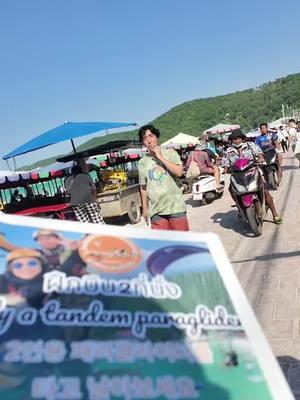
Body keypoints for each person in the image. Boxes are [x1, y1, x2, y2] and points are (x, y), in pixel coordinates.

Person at [224, 130, 282, 224]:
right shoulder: (228, 151)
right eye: (234, 139)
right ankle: (239, 206)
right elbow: (226, 163)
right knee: (231, 189)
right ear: (231, 141)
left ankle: (275, 214)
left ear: (242, 138)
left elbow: (259, 153)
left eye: (238, 138)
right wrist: (226, 168)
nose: (236, 140)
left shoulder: (250, 145)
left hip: (252, 170)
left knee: (265, 191)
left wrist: (261, 158)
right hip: (237, 174)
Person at [138, 124, 189, 231]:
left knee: (183, 244)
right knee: (165, 245)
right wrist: (145, 208)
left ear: (157, 137)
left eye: (151, 136)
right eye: (144, 138)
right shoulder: (142, 163)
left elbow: (179, 172)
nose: (148, 141)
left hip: (175, 207)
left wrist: (160, 157)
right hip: (156, 211)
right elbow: (143, 188)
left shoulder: (171, 153)